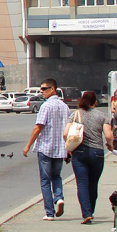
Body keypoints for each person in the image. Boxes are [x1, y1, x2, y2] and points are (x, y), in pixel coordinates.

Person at [23, 78, 70, 220]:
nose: (41, 91)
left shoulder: (46, 106)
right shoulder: (64, 107)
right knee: (56, 176)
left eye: (45, 89)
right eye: (41, 89)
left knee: (45, 180)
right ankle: (59, 198)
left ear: (53, 89)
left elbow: (38, 127)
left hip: (45, 147)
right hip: (60, 148)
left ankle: (49, 212)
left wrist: (28, 145)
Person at [65, 91, 112, 224]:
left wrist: (69, 146)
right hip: (97, 152)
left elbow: (65, 133)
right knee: (93, 183)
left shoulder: (75, 115)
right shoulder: (102, 116)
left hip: (79, 153)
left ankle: (86, 213)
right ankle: (91, 209)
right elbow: (108, 136)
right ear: (95, 102)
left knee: (82, 184)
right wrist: (110, 145)